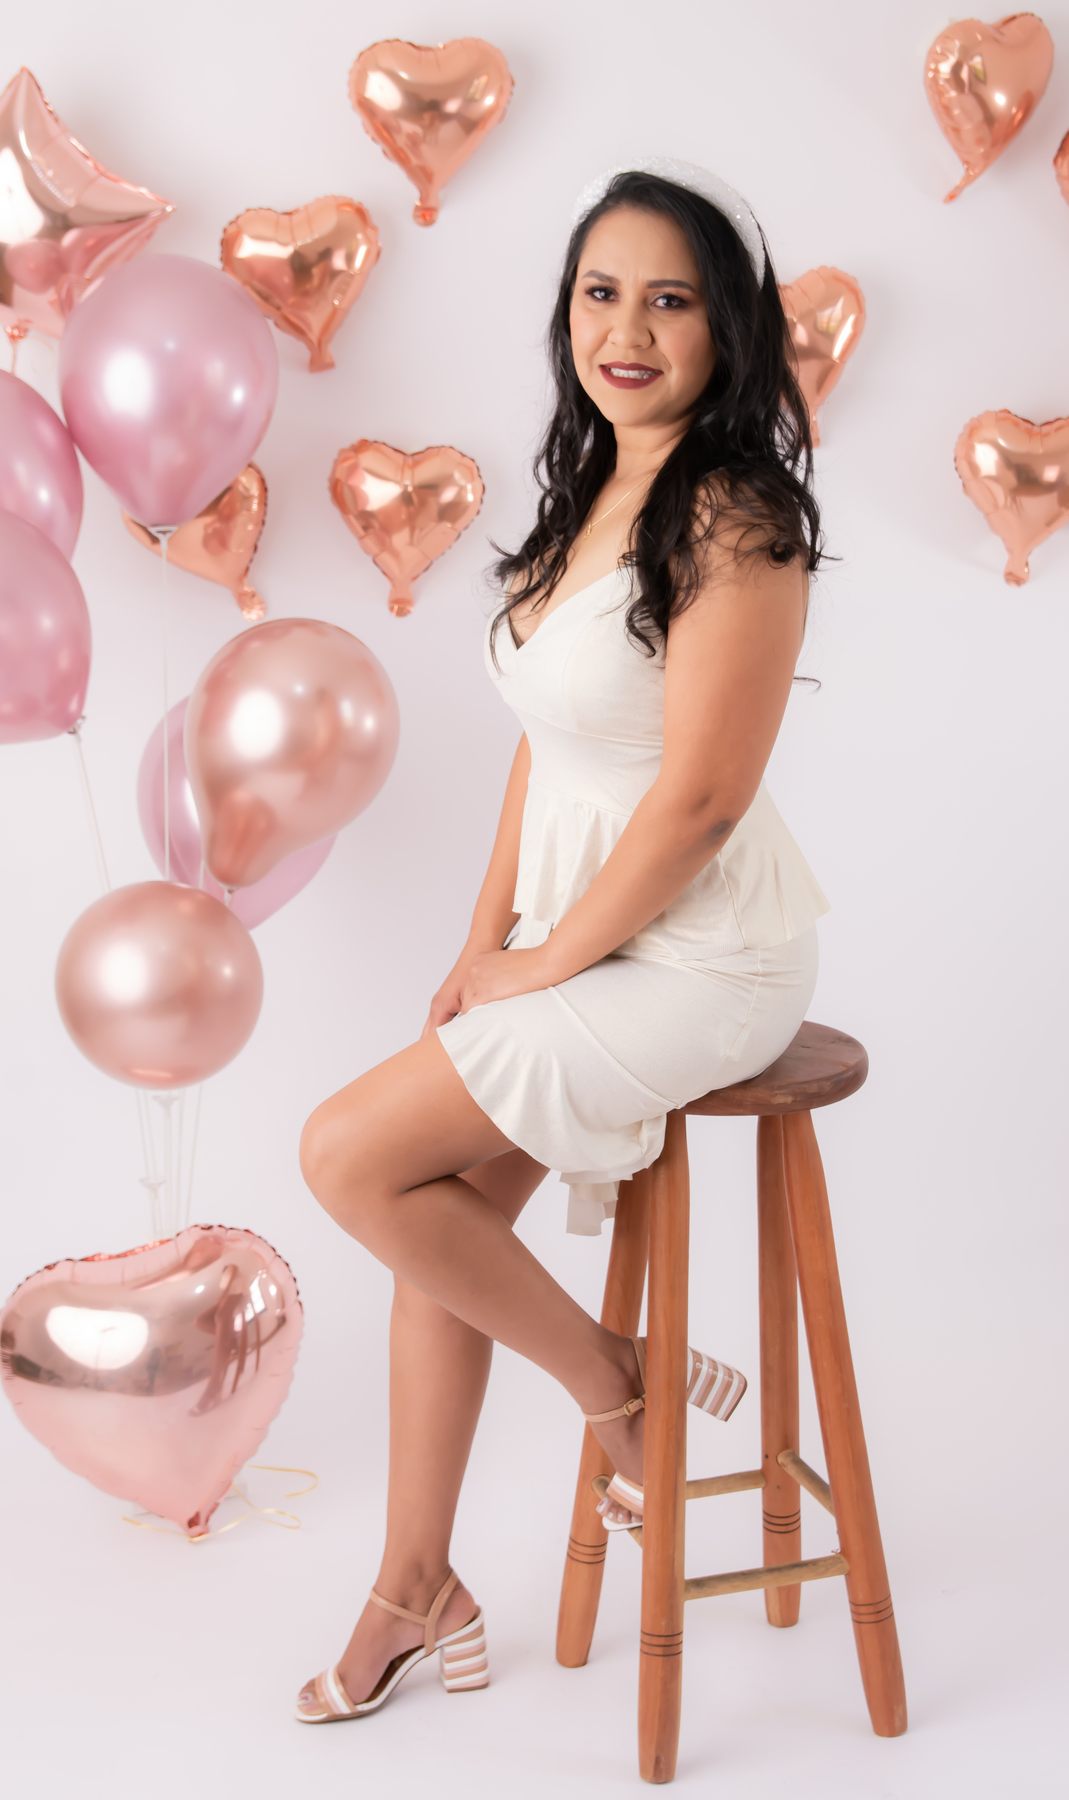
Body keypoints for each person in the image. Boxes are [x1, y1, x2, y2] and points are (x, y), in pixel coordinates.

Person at [295, 158, 828, 1724]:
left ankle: (619, 1386)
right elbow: (547, 746)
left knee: (347, 1155)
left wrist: (544, 965)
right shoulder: (594, 489)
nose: (628, 331)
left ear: (725, 331)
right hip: (581, 933)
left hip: (704, 955)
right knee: (438, 1214)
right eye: (603, 293)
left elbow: (703, 801)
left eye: (670, 301)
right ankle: (415, 1586)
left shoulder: (739, 517)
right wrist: (486, 942)